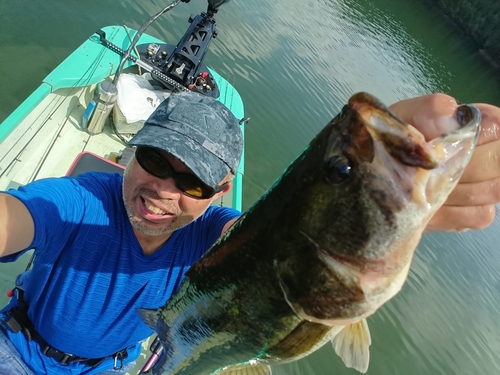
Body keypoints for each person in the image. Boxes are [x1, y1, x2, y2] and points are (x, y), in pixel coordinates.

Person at [0, 91, 499, 375]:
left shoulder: (222, 237)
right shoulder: (81, 200)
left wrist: (388, 209)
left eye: (191, 180)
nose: (163, 191)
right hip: (17, 351)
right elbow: (14, 218)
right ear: (132, 152)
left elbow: (276, 229)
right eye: (154, 160)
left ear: (218, 192)